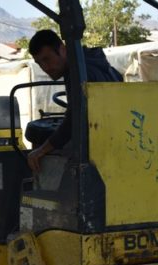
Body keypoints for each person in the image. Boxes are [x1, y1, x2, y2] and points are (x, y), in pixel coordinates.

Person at [27, 29, 122, 172]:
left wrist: (41, 150)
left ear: (62, 49)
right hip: (112, 143)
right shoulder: (96, 64)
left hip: (101, 152)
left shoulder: (81, 72)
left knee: (49, 159)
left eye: (47, 59)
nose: (45, 68)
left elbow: (75, 120)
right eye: (39, 63)